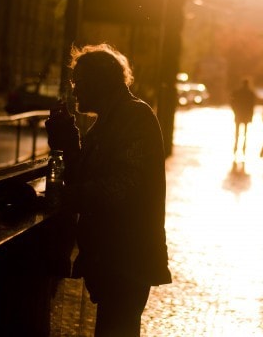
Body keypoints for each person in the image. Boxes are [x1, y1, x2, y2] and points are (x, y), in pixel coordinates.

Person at [45, 43, 172, 337]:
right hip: (114, 257)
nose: (75, 91)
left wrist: (61, 197)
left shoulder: (135, 117)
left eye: (80, 82)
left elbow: (120, 187)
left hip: (127, 259)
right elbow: (88, 177)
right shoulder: (109, 120)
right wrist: (68, 142)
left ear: (100, 83)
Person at [230, 78, 256, 157]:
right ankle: (243, 147)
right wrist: (251, 116)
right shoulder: (250, 93)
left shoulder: (237, 92)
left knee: (237, 132)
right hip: (245, 115)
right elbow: (252, 106)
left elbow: (232, 102)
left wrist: (235, 111)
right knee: (245, 132)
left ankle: (236, 147)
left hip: (239, 114)